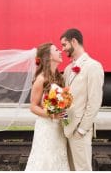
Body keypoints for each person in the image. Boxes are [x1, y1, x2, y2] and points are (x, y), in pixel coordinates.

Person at [60, 28, 104, 171]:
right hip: (67, 129)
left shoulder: (93, 66)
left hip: (80, 131)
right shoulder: (67, 69)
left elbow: (95, 102)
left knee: (83, 169)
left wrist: (82, 130)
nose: (63, 49)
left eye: (64, 45)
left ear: (74, 41)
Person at [25, 43, 70, 171]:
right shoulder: (40, 79)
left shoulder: (59, 77)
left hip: (58, 127)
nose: (60, 51)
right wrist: (52, 114)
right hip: (46, 127)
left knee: (58, 159)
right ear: (49, 57)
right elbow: (33, 107)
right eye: (56, 50)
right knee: (46, 160)